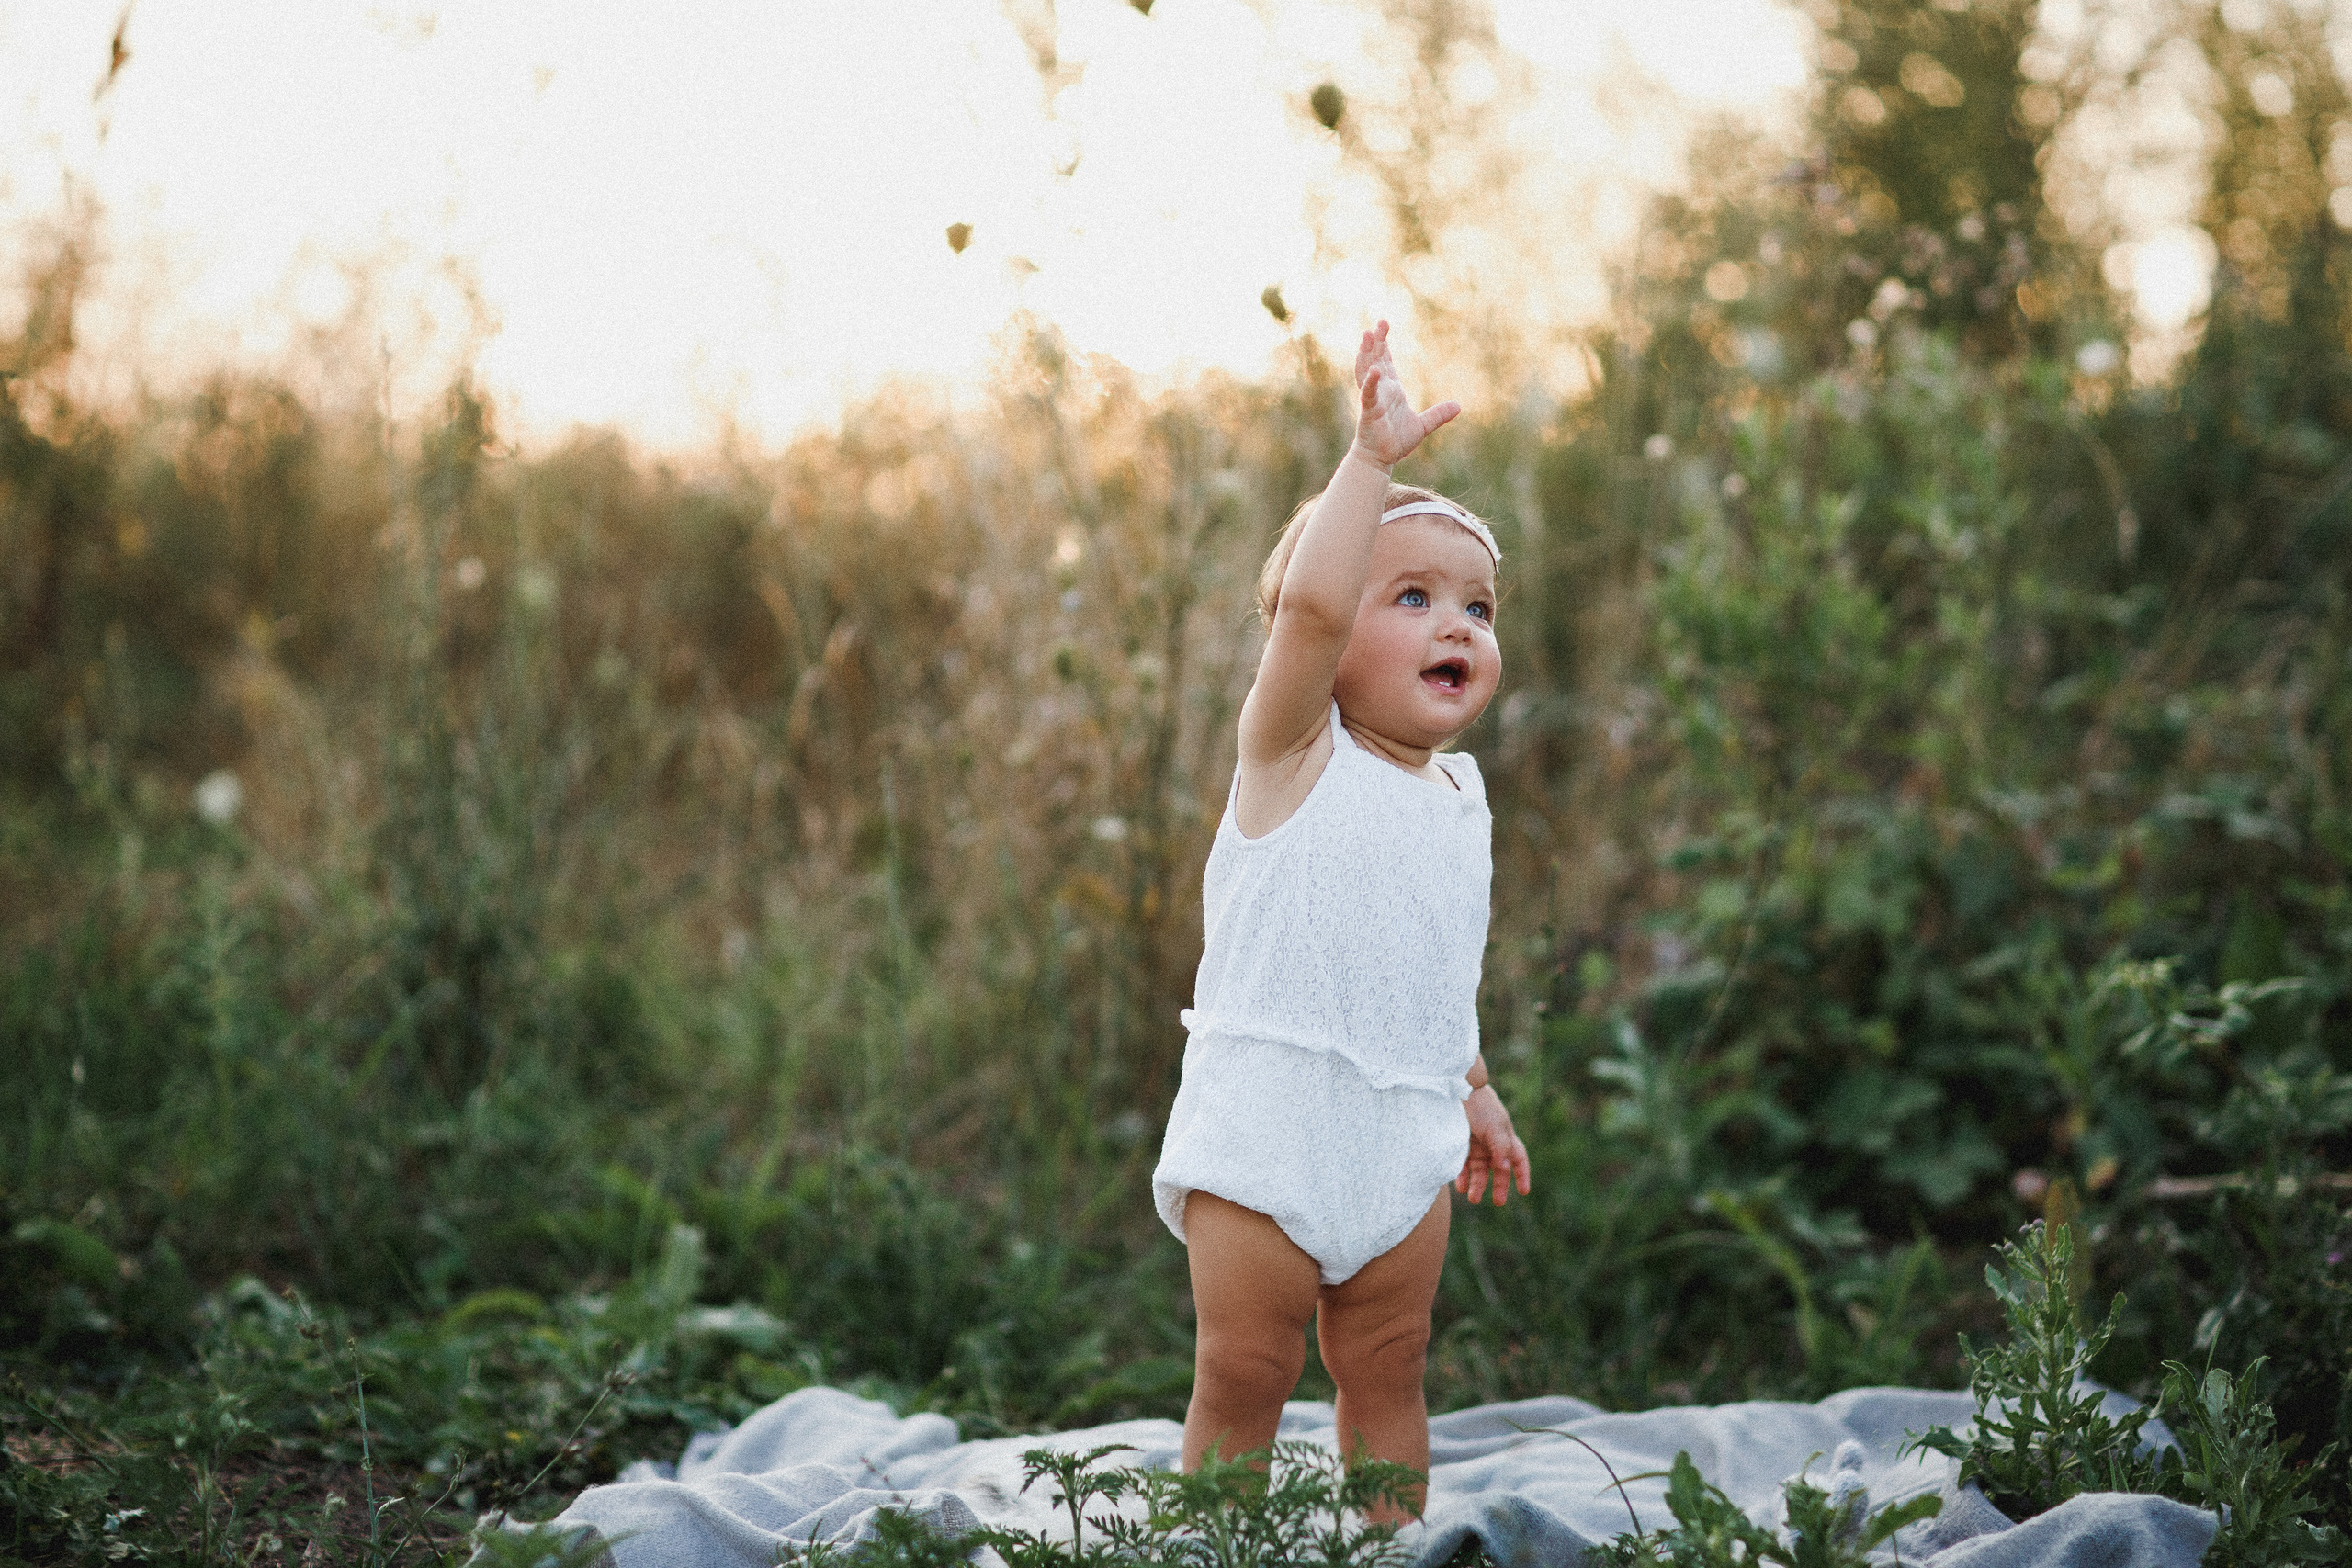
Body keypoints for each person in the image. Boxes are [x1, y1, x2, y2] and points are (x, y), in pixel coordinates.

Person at [1150, 319, 1532, 1518]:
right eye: (1412, 597)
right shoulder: (1294, 751)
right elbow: (1313, 614)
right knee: (1248, 1368)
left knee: (1389, 1368)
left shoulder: (1461, 797)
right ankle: (1218, 1547)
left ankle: (1385, 1549)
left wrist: (1470, 1084)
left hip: (1400, 1137)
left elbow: (1432, 966)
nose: (1457, 624)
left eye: (1476, 604)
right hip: (1269, 1129)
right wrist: (1367, 463)